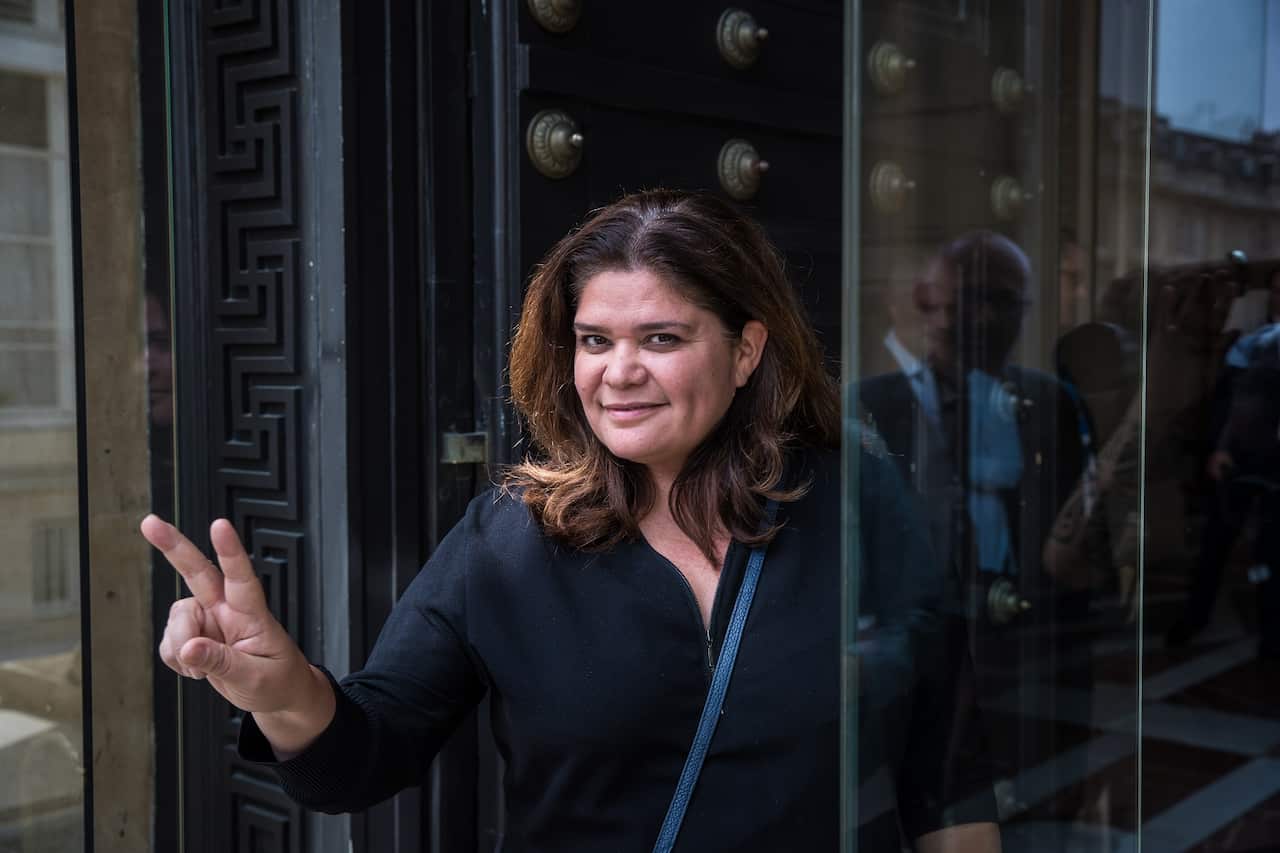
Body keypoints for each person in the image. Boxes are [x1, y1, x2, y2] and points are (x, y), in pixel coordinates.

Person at [142, 190, 1000, 851]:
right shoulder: (509, 539)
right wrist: (282, 689)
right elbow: (366, 756)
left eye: (661, 338)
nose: (617, 372)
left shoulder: (852, 502)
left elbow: (945, 756)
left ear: (746, 350)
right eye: (594, 340)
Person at [859, 232, 1089, 819]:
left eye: (1005, 301)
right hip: (923, 637)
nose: (986, 316)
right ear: (928, 302)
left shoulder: (1049, 400)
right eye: (971, 297)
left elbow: (1074, 523)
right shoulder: (871, 404)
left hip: (1027, 638)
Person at [1167, 268, 1280, 658]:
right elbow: (1231, 401)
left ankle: (1269, 633)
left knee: (1268, 549)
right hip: (1243, 457)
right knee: (1219, 544)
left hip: (1266, 461)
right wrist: (1222, 448)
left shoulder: (1255, 344)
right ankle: (1197, 617)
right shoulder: (1252, 344)